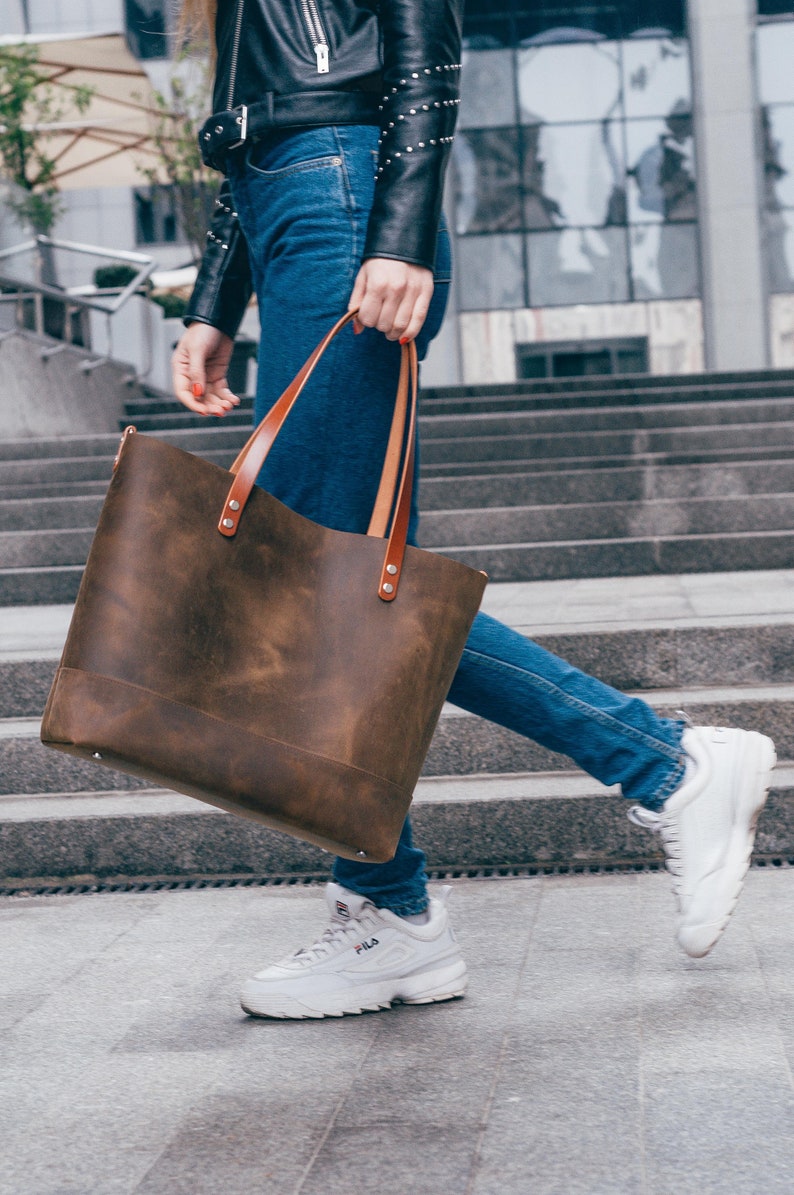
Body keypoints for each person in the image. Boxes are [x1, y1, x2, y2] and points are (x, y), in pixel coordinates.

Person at [172, 0, 776, 1020]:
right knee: (328, 586)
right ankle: (393, 906)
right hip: (295, 213)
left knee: (319, 583)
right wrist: (211, 303)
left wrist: (399, 229)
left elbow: (420, 38)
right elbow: (249, 115)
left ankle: (659, 764)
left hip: (343, 206)